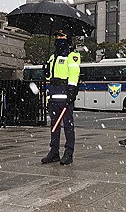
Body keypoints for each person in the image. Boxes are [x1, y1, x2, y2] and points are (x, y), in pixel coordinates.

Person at [41, 29, 81, 165]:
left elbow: (74, 74)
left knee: (68, 126)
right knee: (54, 125)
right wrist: (46, 69)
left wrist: (71, 91)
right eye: (57, 36)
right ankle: (54, 151)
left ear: (68, 37)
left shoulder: (72, 55)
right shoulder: (53, 57)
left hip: (65, 94)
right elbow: (49, 77)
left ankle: (69, 152)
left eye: (62, 35)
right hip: (53, 95)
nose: (59, 38)